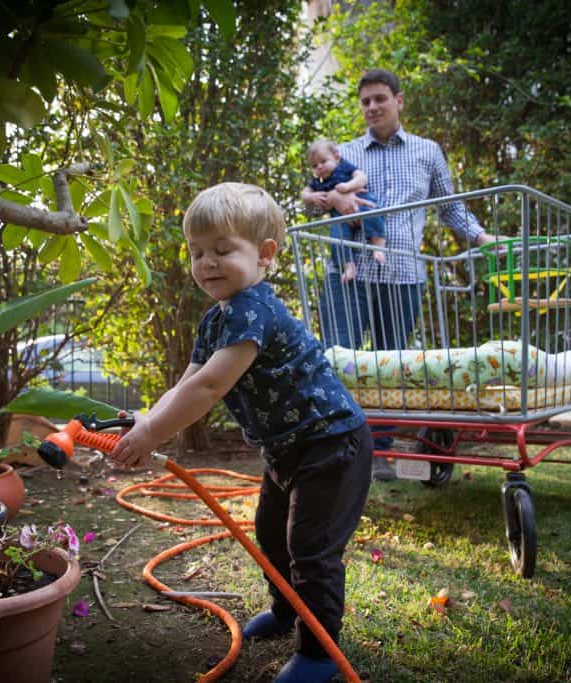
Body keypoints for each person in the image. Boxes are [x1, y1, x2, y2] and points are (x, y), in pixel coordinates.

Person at [109, 182, 373, 683]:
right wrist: (147, 421)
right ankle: (287, 610)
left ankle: (319, 653)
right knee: (273, 538)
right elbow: (187, 383)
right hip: (286, 451)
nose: (206, 262)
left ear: (265, 253)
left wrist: (151, 438)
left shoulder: (255, 308)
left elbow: (209, 387)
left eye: (222, 250)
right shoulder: (216, 319)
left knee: (310, 550)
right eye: (197, 252)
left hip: (332, 445)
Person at [301, 68, 495, 480]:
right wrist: (332, 201)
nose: (372, 107)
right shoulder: (344, 152)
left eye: (379, 99)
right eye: (365, 101)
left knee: (394, 367)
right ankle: (339, 451)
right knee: (338, 359)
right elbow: (310, 202)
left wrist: (482, 238)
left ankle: (381, 454)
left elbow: (451, 208)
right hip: (347, 271)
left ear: (398, 101)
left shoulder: (428, 151)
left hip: (403, 273)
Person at [304, 139, 387, 283]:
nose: (320, 167)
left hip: (362, 203)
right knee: (336, 238)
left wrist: (348, 186)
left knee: (373, 215)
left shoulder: (343, 167)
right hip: (339, 217)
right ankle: (348, 266)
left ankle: (378, 247)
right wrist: (312, 196)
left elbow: (361, 178)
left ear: (336, 157)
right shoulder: (318, 182)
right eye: (315, 165)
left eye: (323, 161)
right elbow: (304, 194)